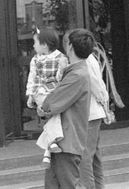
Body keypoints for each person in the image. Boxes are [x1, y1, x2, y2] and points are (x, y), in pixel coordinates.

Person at [39, 29, 93, 189]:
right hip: (63, 141)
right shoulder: (76, 72)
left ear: (69, 46)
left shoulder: (77, 75)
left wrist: (42, 109)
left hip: (67, 141)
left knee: (68, 185)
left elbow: (50, 104)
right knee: (53, 185)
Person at [27, 28, 69, 168]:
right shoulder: (35, 59)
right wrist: (30, 94)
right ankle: (50, 146)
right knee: (54, 112)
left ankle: (48, 151)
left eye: (35, 42)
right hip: (41, 92)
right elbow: (32, 77)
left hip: (54, 92)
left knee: (53, 116)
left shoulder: (60, 58)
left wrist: (62, 68)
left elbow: (59, 78)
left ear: (44, 45)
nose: (33, 45)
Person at [79, 37, 111, 189]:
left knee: (85, 155)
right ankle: (99, 185)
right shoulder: (91, 59)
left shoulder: (85, 61)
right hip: (94, 112)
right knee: (94, 154)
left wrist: (103, 102)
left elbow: (96, 84)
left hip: (91, 113)